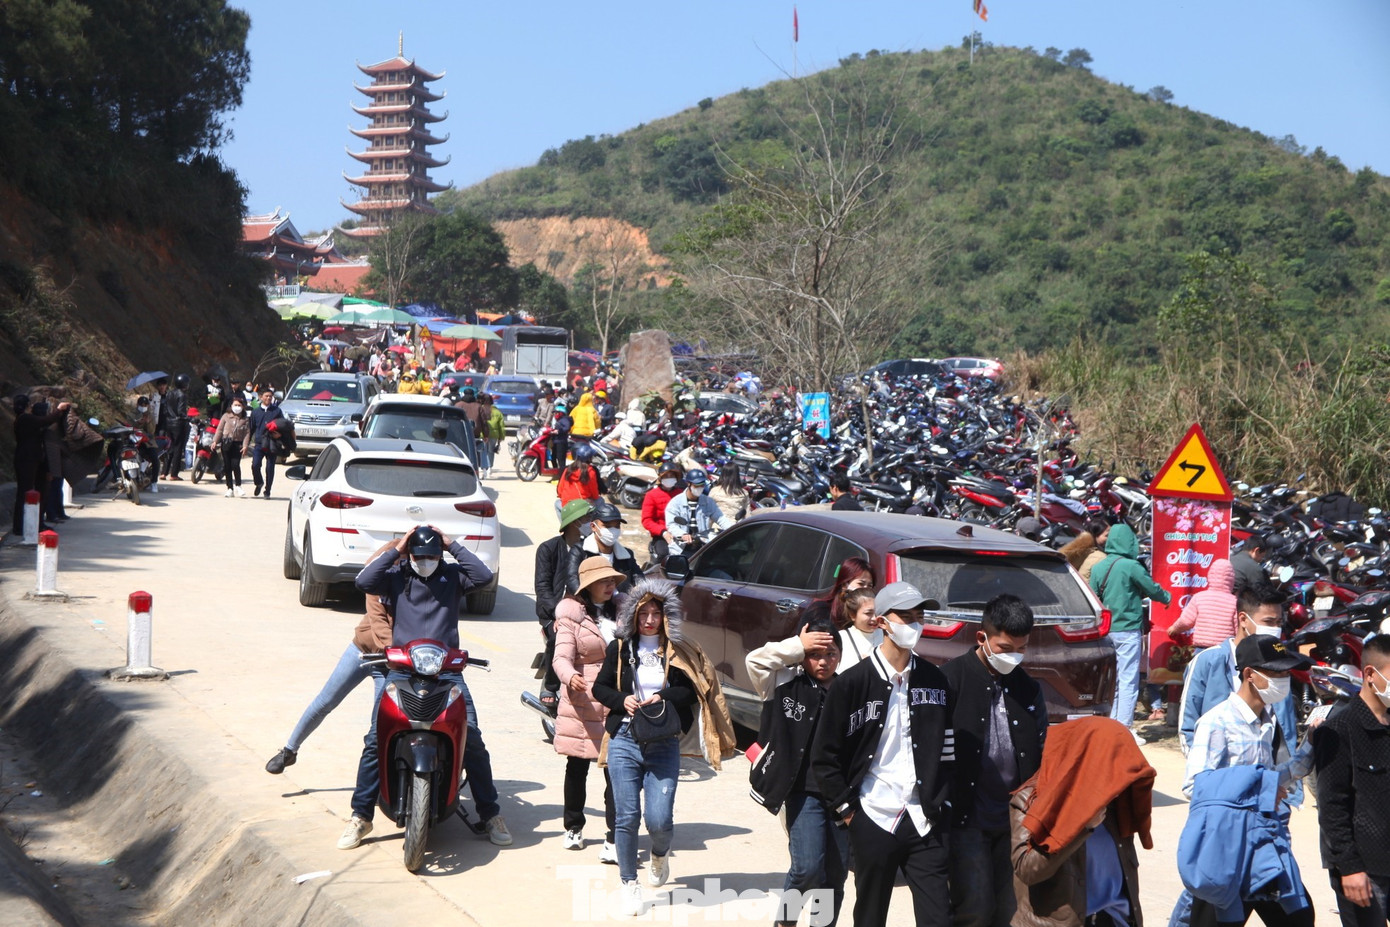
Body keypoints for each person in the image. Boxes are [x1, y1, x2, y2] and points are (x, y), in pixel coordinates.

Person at [339, 525, 512, 850]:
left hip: (448, 674)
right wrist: (399, 548)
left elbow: (485, 576)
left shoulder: (452, 576)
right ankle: (360, 816)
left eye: (433, 556)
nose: (426, 562)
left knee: (471, 739)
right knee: (376, 739)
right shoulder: (397, 574)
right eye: (421, 556)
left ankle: (490, 814)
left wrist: (452, 544)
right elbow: (363, 581)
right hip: (401, 671)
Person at [810, 581, 955, 927]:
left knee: (940, 917)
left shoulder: (934, 679)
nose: (915, 625)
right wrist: (849, 814)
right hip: (873, 817)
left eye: (919, 617)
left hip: (924, 819)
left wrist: (943, 802)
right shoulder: (852, 683)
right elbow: (824, 757)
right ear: (881, 622)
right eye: (905, 617)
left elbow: (947, 750)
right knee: (871, 916)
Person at [1181, 635, 1316, 927]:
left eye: (1286, 673)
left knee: (1300, 917)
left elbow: (1272, 780)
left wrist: (1311, 746)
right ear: (1249, 675)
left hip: (1265, 844)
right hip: (1227, 849)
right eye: (1276, 673)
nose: (1283, 679)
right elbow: (1196, 786)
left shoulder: (1267, 722)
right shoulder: (1216, 723)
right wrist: (1258, 792)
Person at [592, 578, 699, 917]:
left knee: (659, 820)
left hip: (663, 742)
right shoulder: (620, 649)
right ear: (633, 617)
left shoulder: (676, 650)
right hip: (624, 739)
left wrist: (661, 697)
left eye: (656, 613)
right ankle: (629, 884)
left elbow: (690, 692)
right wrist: (623, 700)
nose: (650, 620)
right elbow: (600, 688)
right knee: (626, 817)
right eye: (644, 614)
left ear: (666, 616)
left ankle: (658, 853)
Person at [943, 594, 1049, 927]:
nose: (1014, 656)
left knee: (1010, 909)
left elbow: (1043, 745)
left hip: (1015, 820)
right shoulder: (950, 681)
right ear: (982, 638)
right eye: (1005, 648)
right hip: (967, 816)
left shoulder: (1028, 688)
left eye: (1022, 648)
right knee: (974, 906)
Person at [747, 616, 847, 927]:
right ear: (802, 656)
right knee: (806, 868)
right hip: (802, 793)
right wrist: (796, 646)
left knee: (835, 874)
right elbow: (754, 661)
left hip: (841, 795)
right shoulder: (782, 682)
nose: (823, 661)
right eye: (815, 654)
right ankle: (786, 921)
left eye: (830, 654)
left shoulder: (849, 689)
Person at [265, 542, 396, 774]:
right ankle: (289, 750)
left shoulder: (417, 587)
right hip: (362, 651)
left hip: (389, 664)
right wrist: (398, 545)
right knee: (326, 701)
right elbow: (378, 621)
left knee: (380, 725)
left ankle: (377, 782)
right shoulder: (378, 581)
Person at [1011, 716, 1155, 927]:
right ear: (1086, 759)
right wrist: (1080, 827)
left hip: (1115, 919)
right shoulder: (1031, 800)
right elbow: (1027, 870)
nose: (1120, 774)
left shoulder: (1116, 802)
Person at [1313, 633, 1390, 927]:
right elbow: (1332, 807)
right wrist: (1349, 868)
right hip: (1365, 870)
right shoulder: (1339, 729)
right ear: (1370, 674)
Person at [554, 557, 626, 861]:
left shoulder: (624, 612)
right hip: (582, 701)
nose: (611, 586)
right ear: (588, 586)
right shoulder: (572, 616)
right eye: (604, 581)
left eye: (613, 581)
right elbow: (561, 657)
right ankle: (573, 825)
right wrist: (571, 677)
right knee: (578, 766)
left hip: (617, 698)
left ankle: (614, 836)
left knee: (617, 771)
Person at [1090, 523, 1171, 743]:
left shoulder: (1099, 567)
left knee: (1113, 681)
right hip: (1127, 631)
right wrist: (1167, 598)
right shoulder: (1132, 566)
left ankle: (1111, 725)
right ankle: (1123, 729)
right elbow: (1153, 589)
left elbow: (1093, 598)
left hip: (1105, 632)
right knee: (1127, 681)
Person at [535, 500, 595, 715]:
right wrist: (557, 613)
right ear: (574, 522)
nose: (591, 522)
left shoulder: (591, 550)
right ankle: (550, 684)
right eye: (587, 518)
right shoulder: (548, 549)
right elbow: (542, 588)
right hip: (554, 612)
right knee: (557, 638)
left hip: (586, 611)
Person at [12, 395, 72, 535]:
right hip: (27, 459)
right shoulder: (25, 418)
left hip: (33, 459)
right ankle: (20, 526)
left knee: (39, 491)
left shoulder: (27, 419)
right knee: (25, 492)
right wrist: (58, 410)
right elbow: (46, 420)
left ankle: (35, 523)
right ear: (27, 405)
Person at [567, 501, 642, 593]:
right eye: (607, 526)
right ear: (593, 527)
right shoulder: (579, 551)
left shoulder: (627, 555)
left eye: (617, 526)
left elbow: (639, 579)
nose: (612, 531)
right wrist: (591, 602)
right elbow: (572, 580)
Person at [1168, 559, 1238, 649]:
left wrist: (1174, 629)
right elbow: (1238, 628)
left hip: (1201, 647)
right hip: (1224, 649)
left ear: (1210, 576)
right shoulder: (1235, 602)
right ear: (1231, 580)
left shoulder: (1199, 597)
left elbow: (1186, 621)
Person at [663, 469, 733, 558]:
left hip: (702, 546)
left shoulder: (708, 501)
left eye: (702, 485)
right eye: (697, 485)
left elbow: (720, 518)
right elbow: (671, 525)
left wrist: (731, 530)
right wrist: (682, 534)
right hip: (681, 548)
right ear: (689, 484)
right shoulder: (675, 502)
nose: (700, 488)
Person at [641, 467, 682, 566]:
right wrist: (663, 532)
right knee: (662, 556)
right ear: (660, 478)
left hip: (681, 533)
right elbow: (647, 520)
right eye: (666, 476)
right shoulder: (651, 495)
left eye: (671, 476)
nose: (669, 478)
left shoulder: (681, 494)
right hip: (661, 535)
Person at [211, 397, 251, 497]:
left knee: (235, 465)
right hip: (226, 443)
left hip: (238, 445)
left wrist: (245, 445)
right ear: (231, 406)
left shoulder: (245, 419)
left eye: (239, 405)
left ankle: (238, 486)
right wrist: (215, 441)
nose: (237, 407)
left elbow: (247, 433)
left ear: (243, 407)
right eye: (235, 405)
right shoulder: (226, 416)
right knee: (227, 466)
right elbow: (219, 430)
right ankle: (229, 488)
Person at [836, 588, 880, 671]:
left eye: (877, 612)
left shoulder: (887, 635)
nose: (875, 618)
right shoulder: (841, 638)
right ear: (852, 615)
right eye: (868, 613)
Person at [248, 387, 281, 498]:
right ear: (260, 397)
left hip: (272, 443)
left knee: (270, 467)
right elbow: (250, 429)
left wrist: (280, 435)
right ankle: (259, 482)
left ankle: (268, 491)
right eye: (266, 396)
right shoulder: (255, 412)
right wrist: (246, 443)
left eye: (270, 396)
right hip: (259, 443)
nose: (268, 398)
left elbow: (283, 425)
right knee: (255, 465)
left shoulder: (277, 411)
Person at [556, 445, 605, 516]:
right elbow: (595, 494)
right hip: (583, 504)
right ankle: (596, 522)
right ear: (589, 458)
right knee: (600, 500)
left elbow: (560, 491)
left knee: (557, 503)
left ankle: (564, 525)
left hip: (567, 505)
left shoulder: (568, 469)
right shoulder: (590, 471)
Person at [158, 374, 190, 481]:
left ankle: (164, 473)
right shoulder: (182, 395)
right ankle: (174, 474)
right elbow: (181, 411)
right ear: (185, 384)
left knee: (169, 448)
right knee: (178, 449)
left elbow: (166, 409)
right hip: (178, 424)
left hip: (168, 423)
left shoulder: (169, 393)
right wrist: (189, 418)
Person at [1059, 518, 1110, 583]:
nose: (1110, 538)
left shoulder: (1087, 551)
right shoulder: (1098, 556)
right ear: (1096, 535)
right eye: (1107, 535)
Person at [482, 394, 505, 479]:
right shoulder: (497, 412)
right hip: (494, 435)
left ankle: (484, 469)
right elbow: (501, 426)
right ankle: (490, 468)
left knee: (483, 451)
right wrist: (501, 437)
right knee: (491, 451)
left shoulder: (481, 410)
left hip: (483, 434)